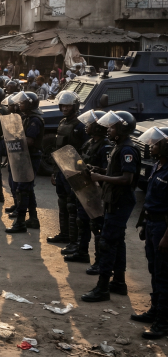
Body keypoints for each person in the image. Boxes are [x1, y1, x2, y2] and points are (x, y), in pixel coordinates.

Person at [81, 111, 140, 302]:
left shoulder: (127, 150)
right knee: (117, 241)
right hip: (114, 200)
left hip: (119, 202)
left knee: (107, 243)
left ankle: (103, 288)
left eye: (112, 127)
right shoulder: (120, 147)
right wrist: (100, 170)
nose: (109, 130)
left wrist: (100, 178)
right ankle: (119, 282)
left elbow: (126, 179)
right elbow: (117, 171)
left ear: (122, 128)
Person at [132, 126, 168, 338]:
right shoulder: (157, 166)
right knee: (155, 270)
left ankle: (163, 323)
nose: (151, 146)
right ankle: (155, 311)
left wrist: (166, 236)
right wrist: (145, 223)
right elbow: (149, 200)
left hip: (164, 228)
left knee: (164, 274)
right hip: (153, 224)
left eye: (155, 143)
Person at [64, 111, 111, 270]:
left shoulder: (105, 147)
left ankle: (99, 262)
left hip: (97, 192)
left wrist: (94, 170)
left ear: (98, 127)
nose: (86, 127)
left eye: (89, 124)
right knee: (81, 221)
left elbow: (108, 171)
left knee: (97, 226)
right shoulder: (89, 143)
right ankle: (82, 251)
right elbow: (79, 161)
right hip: (84, 188)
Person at [47, 92, 87, 255]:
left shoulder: (80, 125)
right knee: (62, 204)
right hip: (62, 169)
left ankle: (74, 241)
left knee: (73, 207)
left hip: (74, 171)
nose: (64, 108)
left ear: (75, 107)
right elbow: (58, 149)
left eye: (68, 106)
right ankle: (64, 234)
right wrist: (55, 172)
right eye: (63, 106)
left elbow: (84, 151)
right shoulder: (62, 122)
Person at [5, 91, 44, 233]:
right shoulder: (26, 117)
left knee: (23, 189)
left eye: (22, 103)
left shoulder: (35, 120)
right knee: (28, 189)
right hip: (24, 156)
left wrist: (12, 139)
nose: (19, 105)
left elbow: (29, 140)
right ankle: (33, 219)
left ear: (30, 104)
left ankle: (20, 223)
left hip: (31, 157)